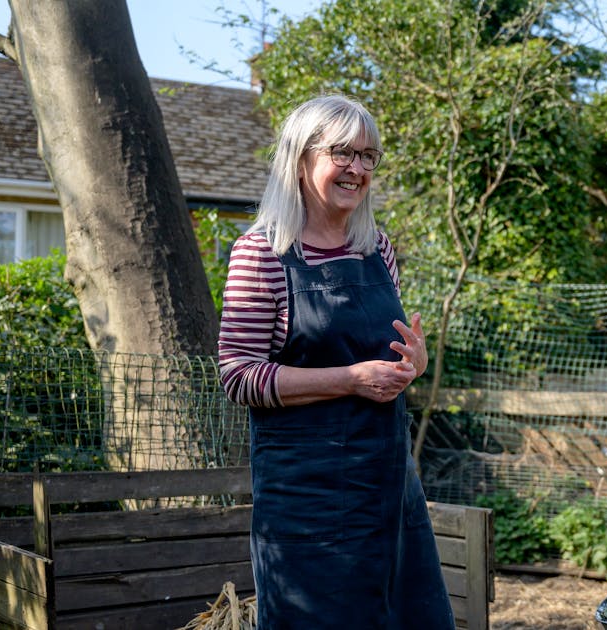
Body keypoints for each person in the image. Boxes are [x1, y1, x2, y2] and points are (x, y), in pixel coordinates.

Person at [218, 94, 454, 629]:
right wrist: (349, 380)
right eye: (342, 153)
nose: (357, 168)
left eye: (368, 156)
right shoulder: (262, 253)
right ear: (301, 160)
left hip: (388, 487)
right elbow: (238, 375)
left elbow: (380, 363)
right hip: (308, 500)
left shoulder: (377, 248)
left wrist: (412, 364)